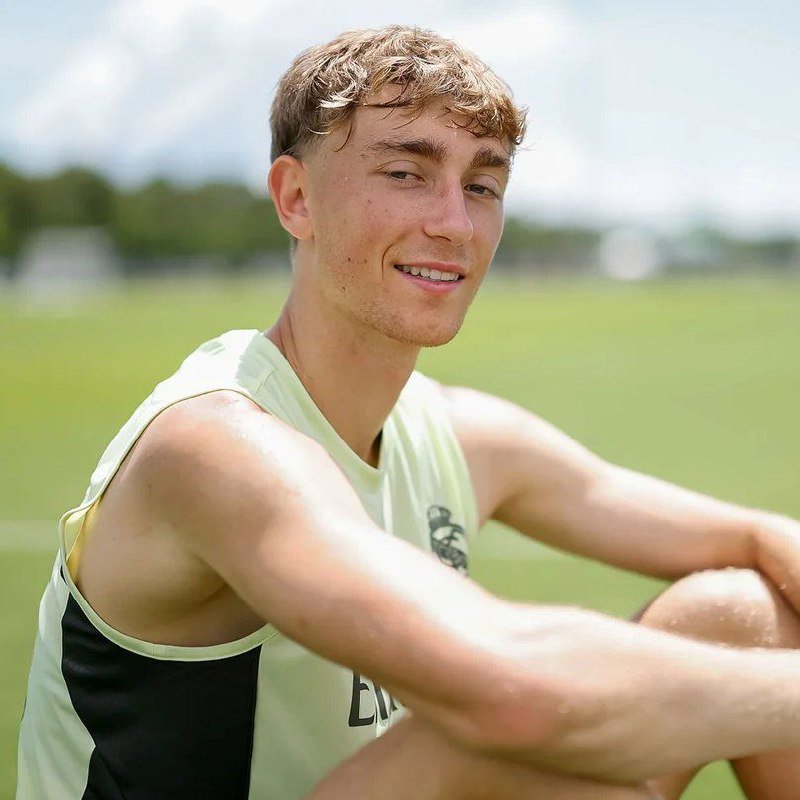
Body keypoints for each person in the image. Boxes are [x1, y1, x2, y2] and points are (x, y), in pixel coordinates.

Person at [16, 25, 800, 800]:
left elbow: (756, 538)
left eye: (482, 186)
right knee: (477, 747)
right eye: (405, 173)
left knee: (736, 613)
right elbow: (516, 691)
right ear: (296, 199)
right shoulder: (216, 444)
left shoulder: (457, 434)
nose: (454, 224)